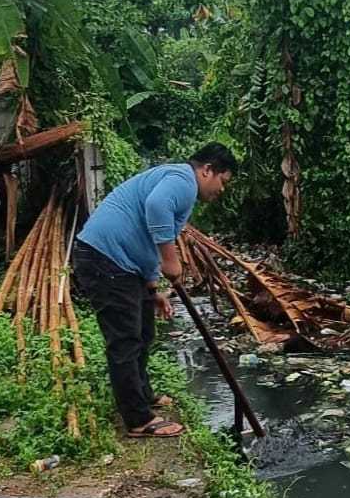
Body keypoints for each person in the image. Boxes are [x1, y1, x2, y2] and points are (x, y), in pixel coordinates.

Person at [72, 142, 237, 438]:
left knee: (145, 332)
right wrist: (171, 260)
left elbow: (148, 236)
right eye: (222, 181)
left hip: (121, 262)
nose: (221, 190)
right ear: (207, 170)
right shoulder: (183, 180)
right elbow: (156, 207)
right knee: (125, 339)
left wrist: (153, 288)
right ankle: (138, 420)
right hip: (104, 257)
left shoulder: (180, 184)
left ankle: (142, 395)